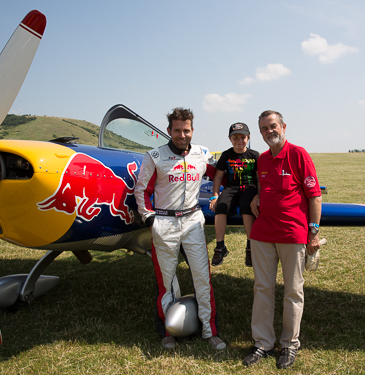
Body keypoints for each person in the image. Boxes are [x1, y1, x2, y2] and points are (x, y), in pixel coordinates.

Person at [134, 107, 226, 351]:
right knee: (166, 280)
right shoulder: (154, 156)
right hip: (164, 223)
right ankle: (167, 331)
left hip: (193, 221)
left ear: (192, 130)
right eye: (177, 130)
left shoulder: (202, 154)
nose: (182, 135)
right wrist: (149, 218)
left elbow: (223, 175)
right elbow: (141, 190)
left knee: (202, 278)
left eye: (186, 130)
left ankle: (210, 331)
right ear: (169, 131)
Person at [243, 110, 322, 369]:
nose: (269, 132)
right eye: (264, 128)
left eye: (273, 126)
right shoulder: (263, 159)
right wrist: (256, 197)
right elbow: (262, 188)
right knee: (262, 289)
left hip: (293, 235)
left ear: (284, 126)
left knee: (293, 291)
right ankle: (263, 343)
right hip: (263, 235)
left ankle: (289, 344)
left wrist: (313, 232)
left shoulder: (298, 154)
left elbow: (315, 196)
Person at [209, 122, 259, 267]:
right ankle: (220, 246)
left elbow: (260, 178)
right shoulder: (226, 155)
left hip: (249, 188)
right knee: (221, 207)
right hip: (231, 188)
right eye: (235, 137)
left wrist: (258, 195)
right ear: (230, 139)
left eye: (242, 137)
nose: (239, 141)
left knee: (247, 207)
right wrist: (215, 196)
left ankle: (250, 247)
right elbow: (218, 177)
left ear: (248, 138)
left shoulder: (254, 155)